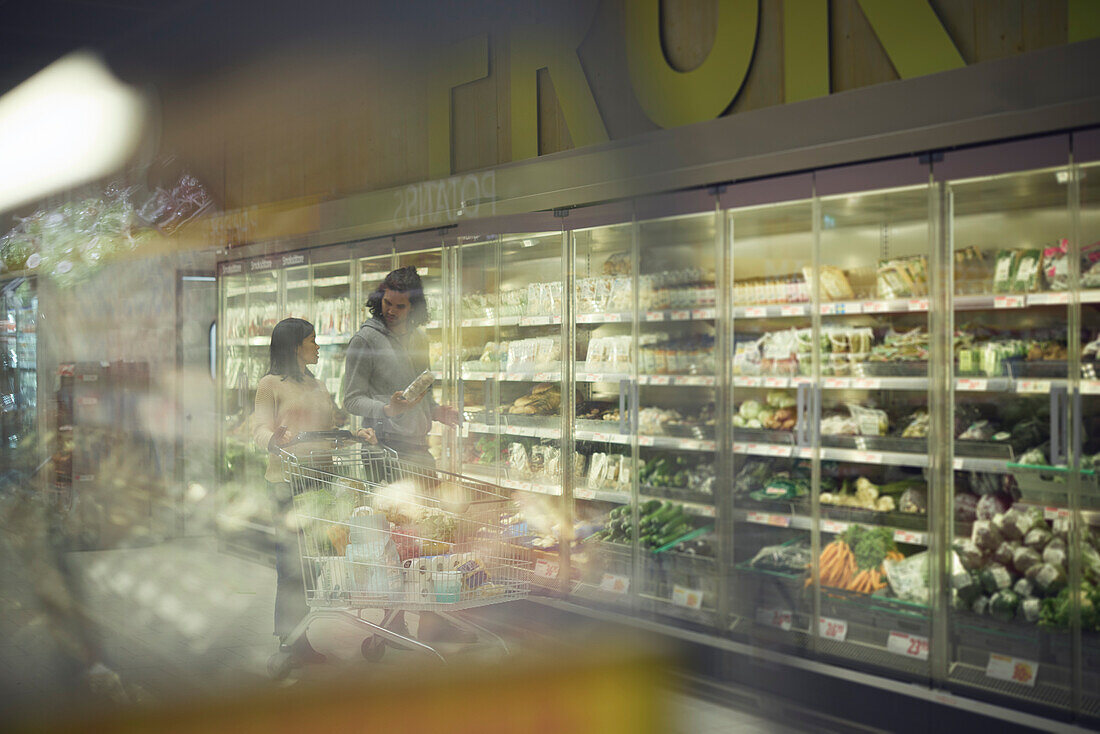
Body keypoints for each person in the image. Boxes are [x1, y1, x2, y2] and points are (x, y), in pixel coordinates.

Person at [342, 266, 471, 644]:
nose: (392, 311)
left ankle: (433, 619)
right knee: (396, 543)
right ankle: (392, 622)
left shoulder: (418, 337)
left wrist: (437, 412)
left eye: (400, 305)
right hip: (385, 452)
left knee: (434, 537)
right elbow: (350, 399)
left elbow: (422, 393)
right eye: (387, 302)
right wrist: (387, 409)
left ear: (415, 308)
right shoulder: (365, 340)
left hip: (420, 451)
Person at [253, 317, 375, 665]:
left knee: (317, 562)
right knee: (293, 564)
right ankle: (290, 640)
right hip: (287, 483)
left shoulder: (318, 385)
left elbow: (331, 425)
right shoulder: (269, 385)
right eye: (311, 341)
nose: (317, 346)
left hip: (322, 480)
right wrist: (273, 440)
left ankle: (302, 632)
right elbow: (259, 428)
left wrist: (356, 434)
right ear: (295, 348)